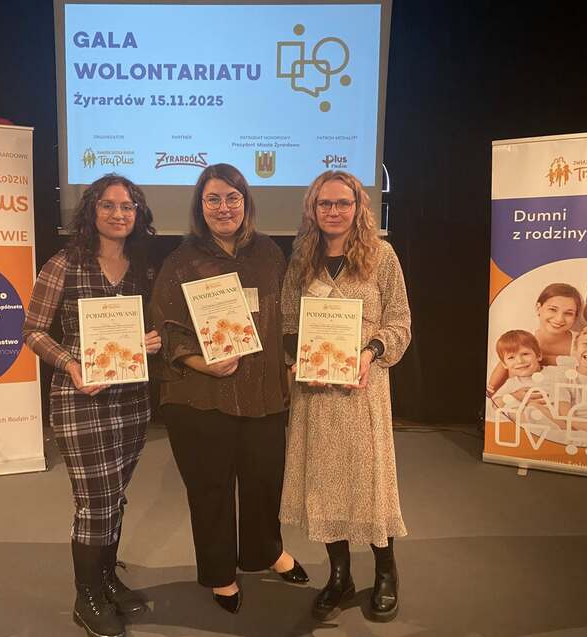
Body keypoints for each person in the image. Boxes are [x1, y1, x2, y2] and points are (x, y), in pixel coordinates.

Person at [150, 163, 307, 614]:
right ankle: (221, 573)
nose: (224, 207)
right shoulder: (181, 261)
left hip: (263, 392)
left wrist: (294, 359)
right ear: (200, 206)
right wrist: (202, 362)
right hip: (201, 395)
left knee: (264, 481)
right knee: (211, 488)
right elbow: (165, 327)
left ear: (246, 202)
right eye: (213, 199)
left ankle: (265, 551)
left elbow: (287, 314)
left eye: (232, 198)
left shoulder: (270, 253)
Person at [23, 174, 161, 637]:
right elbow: (33, 331)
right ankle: (87, 597)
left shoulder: (143, 268)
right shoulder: (64, 263)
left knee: (114, 496)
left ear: (138, 214)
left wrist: (153, 340)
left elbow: (153, 327)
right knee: (96, 502)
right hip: (80, 398)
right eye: (108, 205)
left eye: (128, 206)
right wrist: (71, 364)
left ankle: (106, 580)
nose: (119, 214)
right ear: (91, 211)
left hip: (132, 398)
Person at [279, 170, 411, 623]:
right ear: (312, 209)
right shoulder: (302, 259)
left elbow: (399, 322)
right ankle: (340, 575)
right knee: (324, 482)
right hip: (315, 393)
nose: (333, 211)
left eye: (343, 203)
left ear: (358, 208)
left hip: (362, 389)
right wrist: (297, 359)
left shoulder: (381, 256)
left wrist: (370, 353)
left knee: (369, 480)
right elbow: (288, 321)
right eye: (325, 204)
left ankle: (386, 571)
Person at [486, 283, 582, 396]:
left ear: (575, 317)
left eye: (568, 313)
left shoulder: (584, 343)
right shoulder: (522, 339)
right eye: (552, 309)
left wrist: (545, 359)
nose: (559, 318)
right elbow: (491, 390)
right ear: (538, 308)